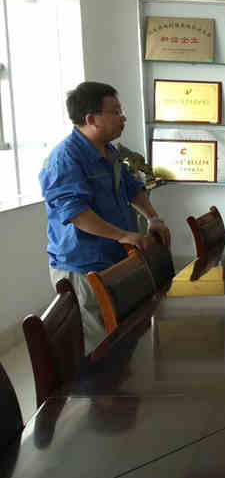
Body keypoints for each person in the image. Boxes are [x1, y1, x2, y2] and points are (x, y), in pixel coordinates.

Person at [39, 81, 171, 352]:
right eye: (115, 112)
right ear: (91, 119)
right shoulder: (65, 158)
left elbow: (132, 188)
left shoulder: (109, 151)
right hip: (85, 267)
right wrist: (123, 235)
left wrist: (153, 218)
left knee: (126, 337)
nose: (123, 117)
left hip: (118, 261)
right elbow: (76, 213)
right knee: (101, 348)